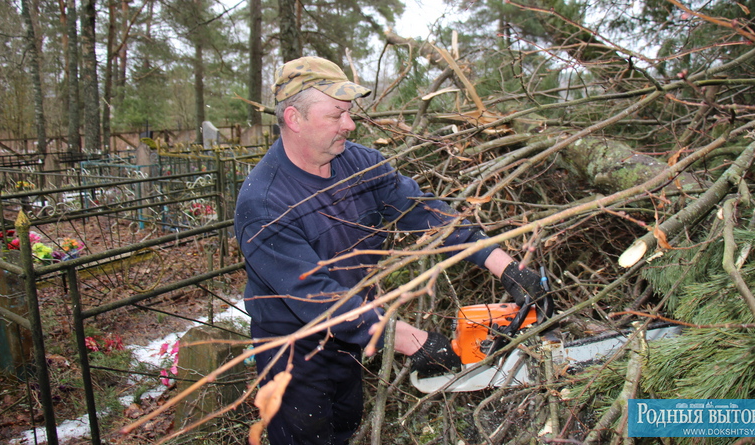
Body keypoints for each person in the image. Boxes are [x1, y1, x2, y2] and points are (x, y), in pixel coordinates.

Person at [234, 56, 550, 445]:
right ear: (295, 119)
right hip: (293, 349)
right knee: (308, 436)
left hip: (354, 332)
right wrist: (414, 341)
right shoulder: (264, 203)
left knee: (345, 425)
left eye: (348, 113)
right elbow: (319, 300)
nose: (349, 125)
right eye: (336, 115)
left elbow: (426, 211)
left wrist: (506, 267)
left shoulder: (359, 164)